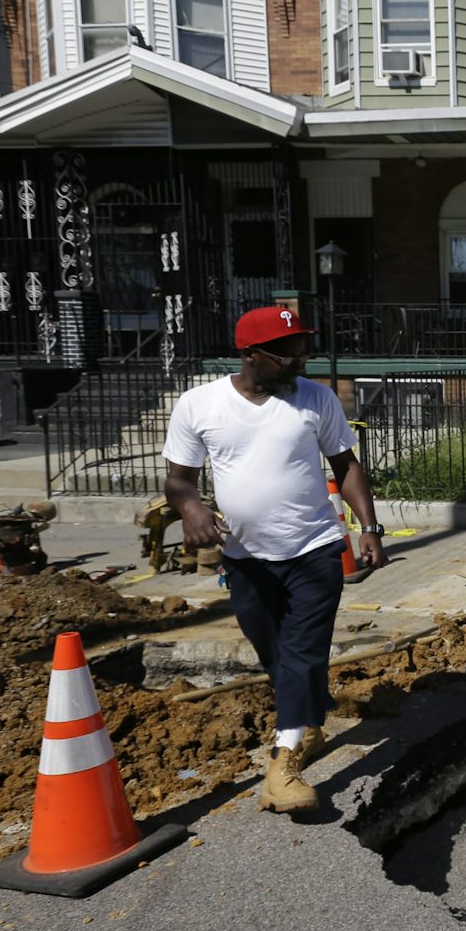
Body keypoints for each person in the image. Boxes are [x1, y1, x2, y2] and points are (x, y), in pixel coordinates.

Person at [163, 306, 388, 815]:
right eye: (287, 353)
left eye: (303, 349)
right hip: (245, 560)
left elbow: (346, 465)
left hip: (315, 549)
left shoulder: (316, 399)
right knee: (275, 656)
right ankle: (306, 717)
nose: (299, 360)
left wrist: (368, 527)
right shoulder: (200, 405)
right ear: (251, 355)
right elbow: (179, 480)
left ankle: (282, 765)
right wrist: (192, 508)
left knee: (303, 652)